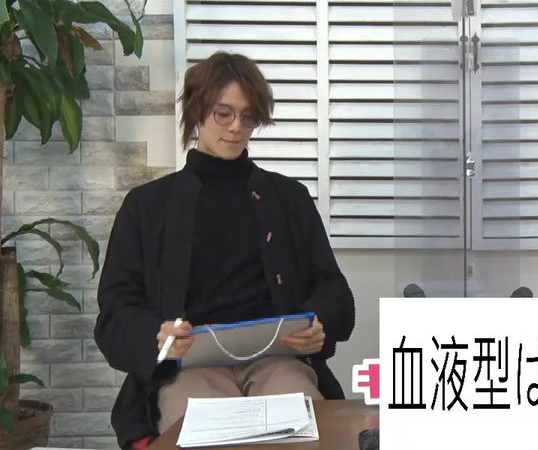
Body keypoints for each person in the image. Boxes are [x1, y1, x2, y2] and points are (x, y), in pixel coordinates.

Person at [94, 52, 356, 449]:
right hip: (188, 368)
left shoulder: (289, 198)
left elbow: (332, 287)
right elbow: (115, 310)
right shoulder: (146, 206)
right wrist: (156, 337)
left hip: (278, 359)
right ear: (197, 111)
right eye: (223, 113)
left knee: (297, 424)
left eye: (248, 117)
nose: (236, 127)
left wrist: (318, 322)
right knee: (207, 430)